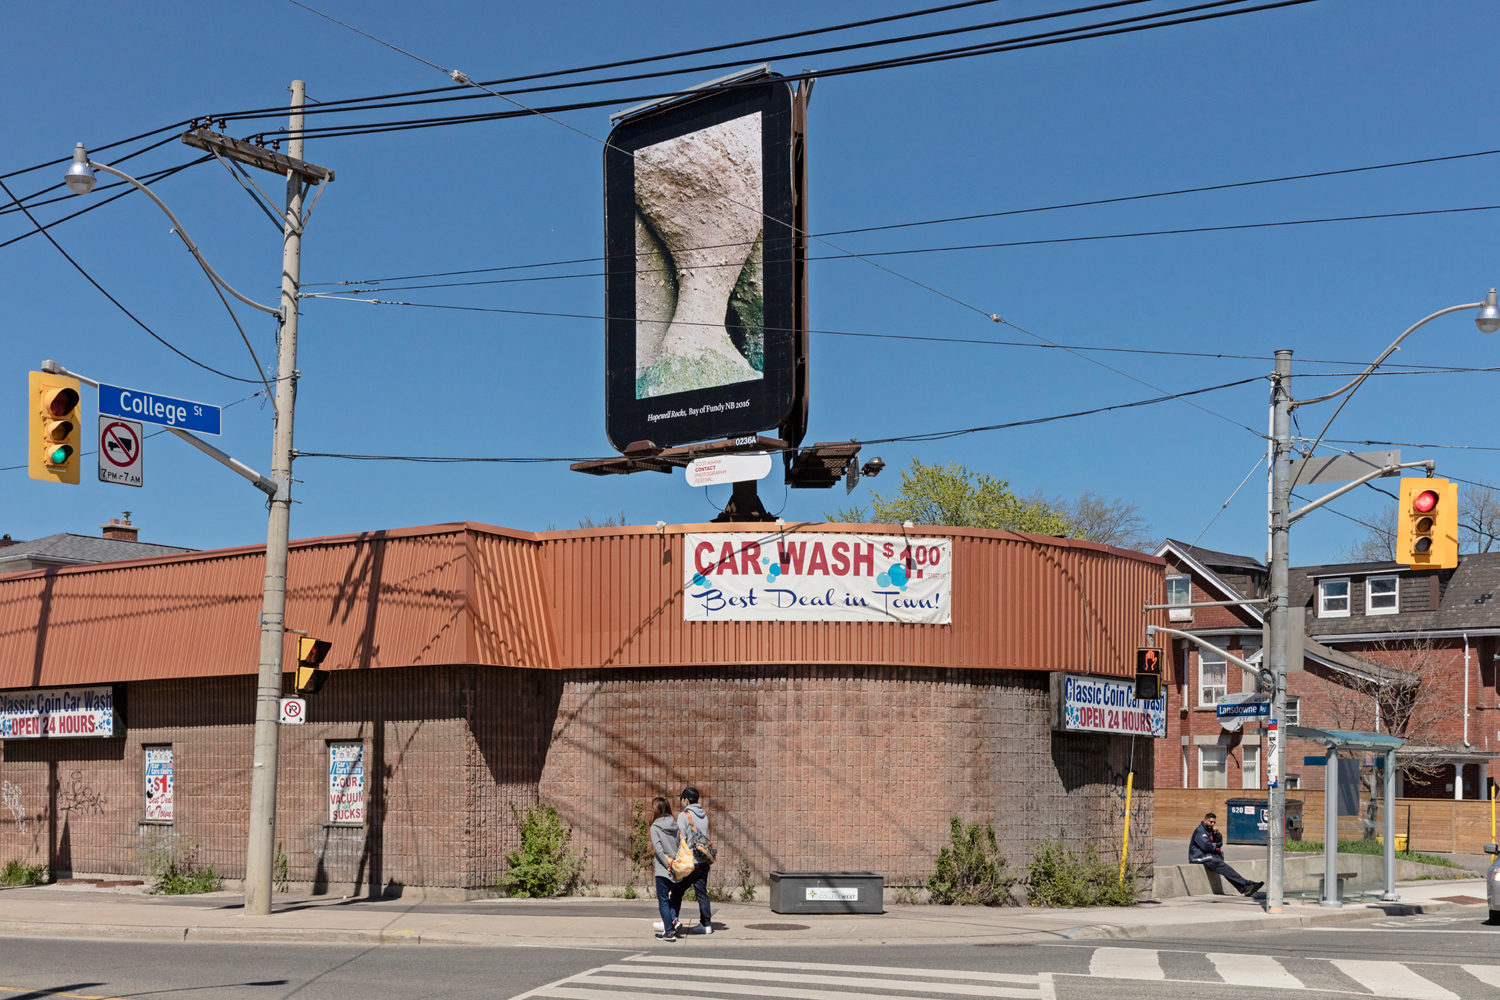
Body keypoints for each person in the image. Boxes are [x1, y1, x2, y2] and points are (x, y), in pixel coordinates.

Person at [1190, 811, 1264, 897]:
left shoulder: (1210, 830)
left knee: (1224, 868)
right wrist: (1215, 848)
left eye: (1214, 822)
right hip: (1199, 857)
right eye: (1211, 822)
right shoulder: (1200, 831)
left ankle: (1245, 888)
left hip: (1208, 856)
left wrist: (1217, 834)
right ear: (1205, 820)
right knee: (1223, 867)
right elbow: (1206, 846)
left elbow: (1219, 844)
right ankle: (1246, 884)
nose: (1213, 824)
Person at [677, 786, 713, 934]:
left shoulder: (683, 816)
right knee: (701, 893)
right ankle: (706, 924)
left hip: (690, 862)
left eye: (682, 799)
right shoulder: (704, 815)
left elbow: (682, 841)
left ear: (686, 800)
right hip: (703, 861)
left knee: (676, 891)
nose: (681, 802)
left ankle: (671, 920)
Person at [649, 796, 684, 941]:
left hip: (664, 869)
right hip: (675, 869)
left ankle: (669, 931)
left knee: (663, 900)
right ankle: (673, 920)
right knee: (669, 899)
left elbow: (659, 850)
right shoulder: (675, 826)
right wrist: (674, 865)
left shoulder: (655, 827)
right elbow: (680, 846)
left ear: (656, 810)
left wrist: (667, 865)